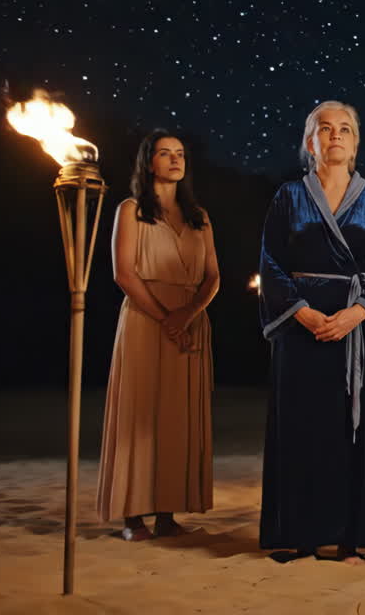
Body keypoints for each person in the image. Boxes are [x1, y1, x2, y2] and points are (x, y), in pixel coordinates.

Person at [258, 101, 365, 563]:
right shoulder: (287, 197)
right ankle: (301, 535)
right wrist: (301, 312)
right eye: (325, 128)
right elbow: (271, 263)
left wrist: (358, 313)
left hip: (355, 332)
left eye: (345, 129)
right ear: (310, 141)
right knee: (301, 429)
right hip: (302, 332)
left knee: (350, 430)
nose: (335, 135)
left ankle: (346, 537)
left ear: (356, 144)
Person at [97, 129, 219, 541]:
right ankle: (133, 517)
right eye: (165, 153)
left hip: (190, 320)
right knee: (140, 410)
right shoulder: (130, 210)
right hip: (145, 320)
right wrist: (167, 317)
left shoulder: (199, 216)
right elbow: (123, 273)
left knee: (177, 417)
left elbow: (214, 278)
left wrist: (187, 315)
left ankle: (167, 514)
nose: (174, 159)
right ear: (148, 161)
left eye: (180, 153)